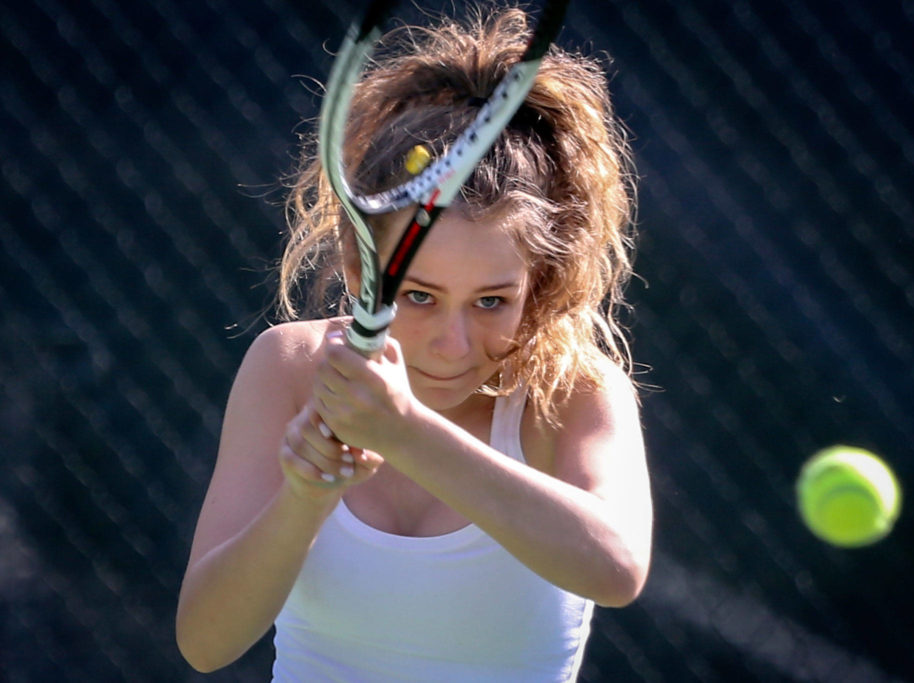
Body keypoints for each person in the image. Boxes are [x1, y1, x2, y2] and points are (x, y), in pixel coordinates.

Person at [176, 4, 652, 681]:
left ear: (538, 283)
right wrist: (306, 495)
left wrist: (402, 432)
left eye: (492, 301)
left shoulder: (577, 392)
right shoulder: (287, 369)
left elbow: (616, 565)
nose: (452, 344)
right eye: (419, 296)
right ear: (355, 263)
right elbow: (204, 641)